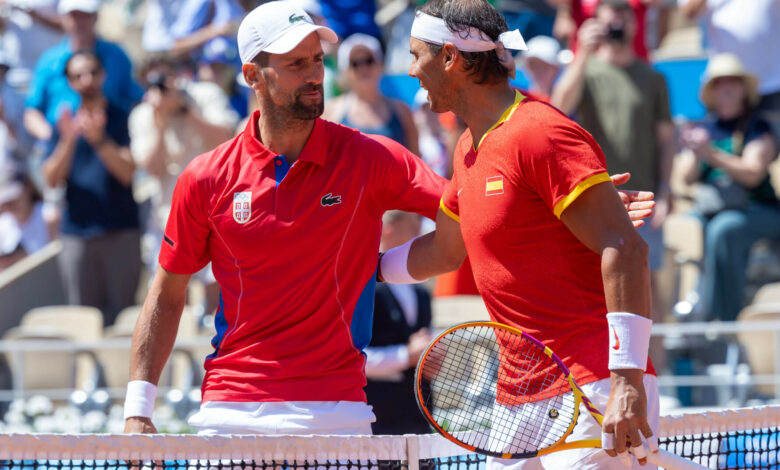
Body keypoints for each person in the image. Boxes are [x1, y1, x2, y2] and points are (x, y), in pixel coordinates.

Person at [123, 1, 653, 438]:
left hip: (342, 412)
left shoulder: (376, 156)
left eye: (315, 60)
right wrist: (136, 408)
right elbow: (167, 295)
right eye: (295, 64)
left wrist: (574, 205)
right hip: (229, 413)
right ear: (251, 76)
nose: (314, 75)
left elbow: (484, 218)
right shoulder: (205, 177)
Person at [380, 1, 657, 468]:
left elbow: (626, 247)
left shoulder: (541, 131)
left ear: (449, 57)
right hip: (518, 394)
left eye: (416, 55)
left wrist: (627, 381)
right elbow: (445, 251)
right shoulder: (468, 147)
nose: (410, 71)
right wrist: (365, 271)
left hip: (592, 382)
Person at [551, 0, 675, 369]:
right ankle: (610, 372)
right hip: (597, 200)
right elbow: (558, 107)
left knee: (652, 293)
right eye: (610, 15)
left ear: (634, 25)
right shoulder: (585, 70)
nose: (618, 21)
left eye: (623, 15)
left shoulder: (653, 78)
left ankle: (660, 377)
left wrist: (667, 192)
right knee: (602, 292)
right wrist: (580, 55)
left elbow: (666, 140)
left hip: (646, 199)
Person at [41, 50, 140, 327]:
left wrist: (100, 141)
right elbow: (50, 178)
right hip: (77, 236)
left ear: (103, 75)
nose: (87, 80)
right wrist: (69, 140)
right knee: (83, 321)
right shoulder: (62, 123)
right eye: (78, 75)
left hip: (121, 232)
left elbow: (128, 173)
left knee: (125, 321)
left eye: (92, 72)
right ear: (70, 82)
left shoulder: (122, 116)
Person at [678, 54, 780, 322]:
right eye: (719, 82)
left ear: (743, 88)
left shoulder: (758, 126)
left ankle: (725, 321)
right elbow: (686, 178)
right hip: (711, 211)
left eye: (733, 81)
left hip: (757, 209)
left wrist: (710, 153)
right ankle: (684, 311)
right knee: (678, 228)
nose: (726, 87)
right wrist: (693, 149)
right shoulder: (705, 127)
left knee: (724, 230)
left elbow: (753, 173)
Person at [23, 0, 143, 142]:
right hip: (63, 147)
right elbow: (32, 111)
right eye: (74, 16)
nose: (79, 22)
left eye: (85, 15)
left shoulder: (117, 56)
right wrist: (55, 138)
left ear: (96, 17)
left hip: (112, 142)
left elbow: (136, 98)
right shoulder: (48, 61)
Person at [365, 210, 433, 435]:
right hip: (377, 420)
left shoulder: (422, 293)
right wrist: (407, 355)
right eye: (413, 225)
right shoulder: (362, 289)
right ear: (387, 228)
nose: (421, 232)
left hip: (418, 418)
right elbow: (352, 358)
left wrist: (431, 360)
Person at [679, 0, 780, 144]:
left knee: (770, 148)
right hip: (725, 81)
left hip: (772, 81)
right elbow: (689, 11)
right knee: (722, 145)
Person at [324, 33, 419, 155]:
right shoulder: (331, 112)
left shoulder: (401, 110)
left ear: (380, 65)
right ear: (346, 71)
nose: (363, 68)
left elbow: (416, 159)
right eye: (355, 63)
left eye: (369, 60)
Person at [519, 35, 563, 101]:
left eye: (544, 65)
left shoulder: (572, 95)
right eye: (532, 65)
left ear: (556, 68)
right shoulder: (517, 90)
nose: (537, 71)